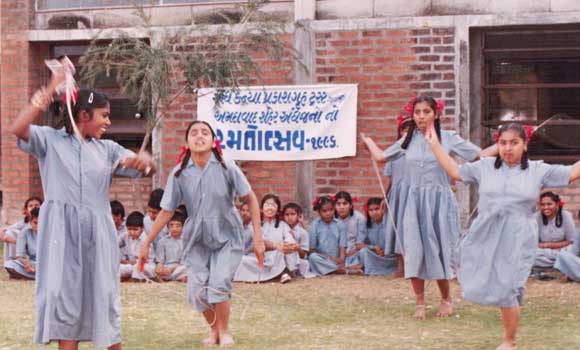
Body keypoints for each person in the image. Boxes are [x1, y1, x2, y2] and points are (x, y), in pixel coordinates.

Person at [10, 67, 155, 350]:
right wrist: (52, 87)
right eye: (104, 115)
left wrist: (144, 162)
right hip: (60, 234)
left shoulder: (109, 149)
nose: (108, 122)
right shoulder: (49, 141)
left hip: (97, 233)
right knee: (66, 299)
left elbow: (144, 167)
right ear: (84, 116)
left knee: (104, 295)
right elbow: (18, 128)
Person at [424, 122, 580, 350]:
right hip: (486, 232)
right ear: (497, 144)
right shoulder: (485, 167)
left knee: (510, 286)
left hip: (519, 236)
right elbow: (455, 171)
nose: (508, 148)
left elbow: (573, 172)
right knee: (483, 280)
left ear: (525, 145)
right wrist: (435, 145)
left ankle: (509, 340)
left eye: (514, 143)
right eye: (503, 143)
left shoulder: (537, 170)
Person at [362, 95, 496, 320]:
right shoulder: (407, 140)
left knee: (439, 250)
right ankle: (420, 302)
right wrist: (367, 140)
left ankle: (446, 298)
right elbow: (381, 157)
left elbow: (479, 155)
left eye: (426, 111)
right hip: (414, 204)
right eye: (417, 112)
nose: (421, 116)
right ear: (412, 115)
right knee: (414, 250)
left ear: (436, 113)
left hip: (439, 202)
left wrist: (503, 145)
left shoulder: (449, 138)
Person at [138, 120, 263, 347]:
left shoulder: (227, 166)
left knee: (219, 282)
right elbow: (167, 211)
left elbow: (251, 199)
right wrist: (147, 242)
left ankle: (225, 332)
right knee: (197, 290)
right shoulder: (180, 173)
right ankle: (214, 329)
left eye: (205, 132)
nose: (199, 136)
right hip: (196, 237)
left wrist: (257, 236)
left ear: (213, 141)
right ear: (187, 142)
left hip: (227, 235)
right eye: (194, 133)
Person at [234, 194, 289, 283]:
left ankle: (282, 273)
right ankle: (270, 275)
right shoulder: (254, 225)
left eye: (273, 205)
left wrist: (286, 245)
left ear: (278, 210)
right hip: (258, 256)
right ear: (261, 209)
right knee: (241, 259)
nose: (270, 208)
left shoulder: (282, 225)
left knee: (280, 252)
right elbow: (256, 242)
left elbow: (289, 239)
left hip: (277, 256)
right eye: (267, 205)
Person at [383, 115, 412, 277]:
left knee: (411, 230)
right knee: (398, 229)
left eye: (410, 130)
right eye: (404, 130)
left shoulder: (417, 152)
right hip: (398, 196)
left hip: (413, 194)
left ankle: (414, 268)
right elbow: (389, 178)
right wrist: (385, 197)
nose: (406, 133)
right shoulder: (394, 152)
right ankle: (401, 267)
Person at [308, 196, 361, 276]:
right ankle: (342, 270)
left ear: (334, 209)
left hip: (339, 259)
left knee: (356, 256)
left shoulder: (340, 224)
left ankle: (336, 268)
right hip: (323, 259)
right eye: (324, 211)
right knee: (312, 257)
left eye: (331, 210)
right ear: (319, 212)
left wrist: (341, 259)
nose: (328, 213)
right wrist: (330, 258)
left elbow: (342, 246)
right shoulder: (314, 226)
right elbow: (312, 250)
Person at [532, 191, 576, 270]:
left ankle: (558, 262)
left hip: (562, 250)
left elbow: (571, 241)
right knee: (530, 255)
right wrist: (547, 249)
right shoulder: (536, 218)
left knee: (571, 250)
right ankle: (561, 263)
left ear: (557, 205)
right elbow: (534, 243)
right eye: (542, 204)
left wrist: (546, 245)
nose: (545, 207)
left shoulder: (566, 216)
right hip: (544, 252)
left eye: (549, 204)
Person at [356, 198, 399, 276]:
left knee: (399, 258)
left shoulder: (391, 223)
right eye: (371, 210)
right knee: (363, 251)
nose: (374, 212)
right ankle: (372, 271)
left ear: (383, 209)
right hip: (374, 255)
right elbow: (359, 244)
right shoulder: (365, 224)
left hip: (389, 257)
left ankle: (379, 270)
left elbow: (398, 243)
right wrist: (373, 248)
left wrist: (387, 251)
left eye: (377, 209)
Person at [1, 196, 42, 270]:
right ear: (26, 210)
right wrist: (17, 241)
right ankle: (12, 261)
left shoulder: (49, 224)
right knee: (10, 233)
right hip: (26, 252)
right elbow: (4, 230)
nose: (33, 207)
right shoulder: (24, 225)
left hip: (43, 259)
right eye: (31, 206)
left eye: (36, 205)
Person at [4, 207, 40, 280]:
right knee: (9, 264)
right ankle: (36, 275)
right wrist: (26, 263)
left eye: (42, 223)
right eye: (35, 223)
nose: (38, 226)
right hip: (33, 263)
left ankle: (29, 276)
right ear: (30, 221)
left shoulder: (51, 232)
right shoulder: (25, 232)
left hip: (48, 264)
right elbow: (20, 256)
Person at [119, 211, 155, 282]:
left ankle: (134, 281)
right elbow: (115, 243)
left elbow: (145, 261)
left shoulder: (146, 239)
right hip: (130, 265)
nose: (132, 232)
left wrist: (127, 262)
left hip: (145, 266)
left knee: (137, 268)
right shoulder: (125, 235)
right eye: (129, 229)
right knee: (116, 268)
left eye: (135, 229)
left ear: (142, 228)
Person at [334, 191, 366, 269]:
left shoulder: (359, 218)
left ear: (351, 205)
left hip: (354, 251)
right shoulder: (332, 219)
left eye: (345, 204)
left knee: (364, 252)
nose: (341, 207)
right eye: (338, 204)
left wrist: (349, 253)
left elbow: (360, 242)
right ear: (334, 206)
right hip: (337, 252)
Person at [155, 212, 187, 282]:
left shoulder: (186, 241)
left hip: (179, 267)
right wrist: (160, 267)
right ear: (167, 227)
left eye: (178, 226)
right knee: (152, 269)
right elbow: (160, 260)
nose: (174, 228)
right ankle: (172, 278)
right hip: (166, 268)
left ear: (183, 227)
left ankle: (173, 279)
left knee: (187, 268)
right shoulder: (162, 241)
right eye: (171, 225)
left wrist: (172, 269)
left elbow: (184, 261)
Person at [282, 202, 311, 278]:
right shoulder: (280, 229)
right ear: (283, 216)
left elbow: (304, 255)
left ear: (299, 216)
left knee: (305, 263)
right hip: (282, 257)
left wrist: (298, 248)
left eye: (293, 214)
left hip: (297, 260)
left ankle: (291, 272)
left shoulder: (303, 233)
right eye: (287, 215)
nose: (290, 217)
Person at [554, 209, 580, 282]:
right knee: (562, 254)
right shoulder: (578, 232)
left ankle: (574, 276)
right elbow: (574, 252)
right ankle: (572, 275)